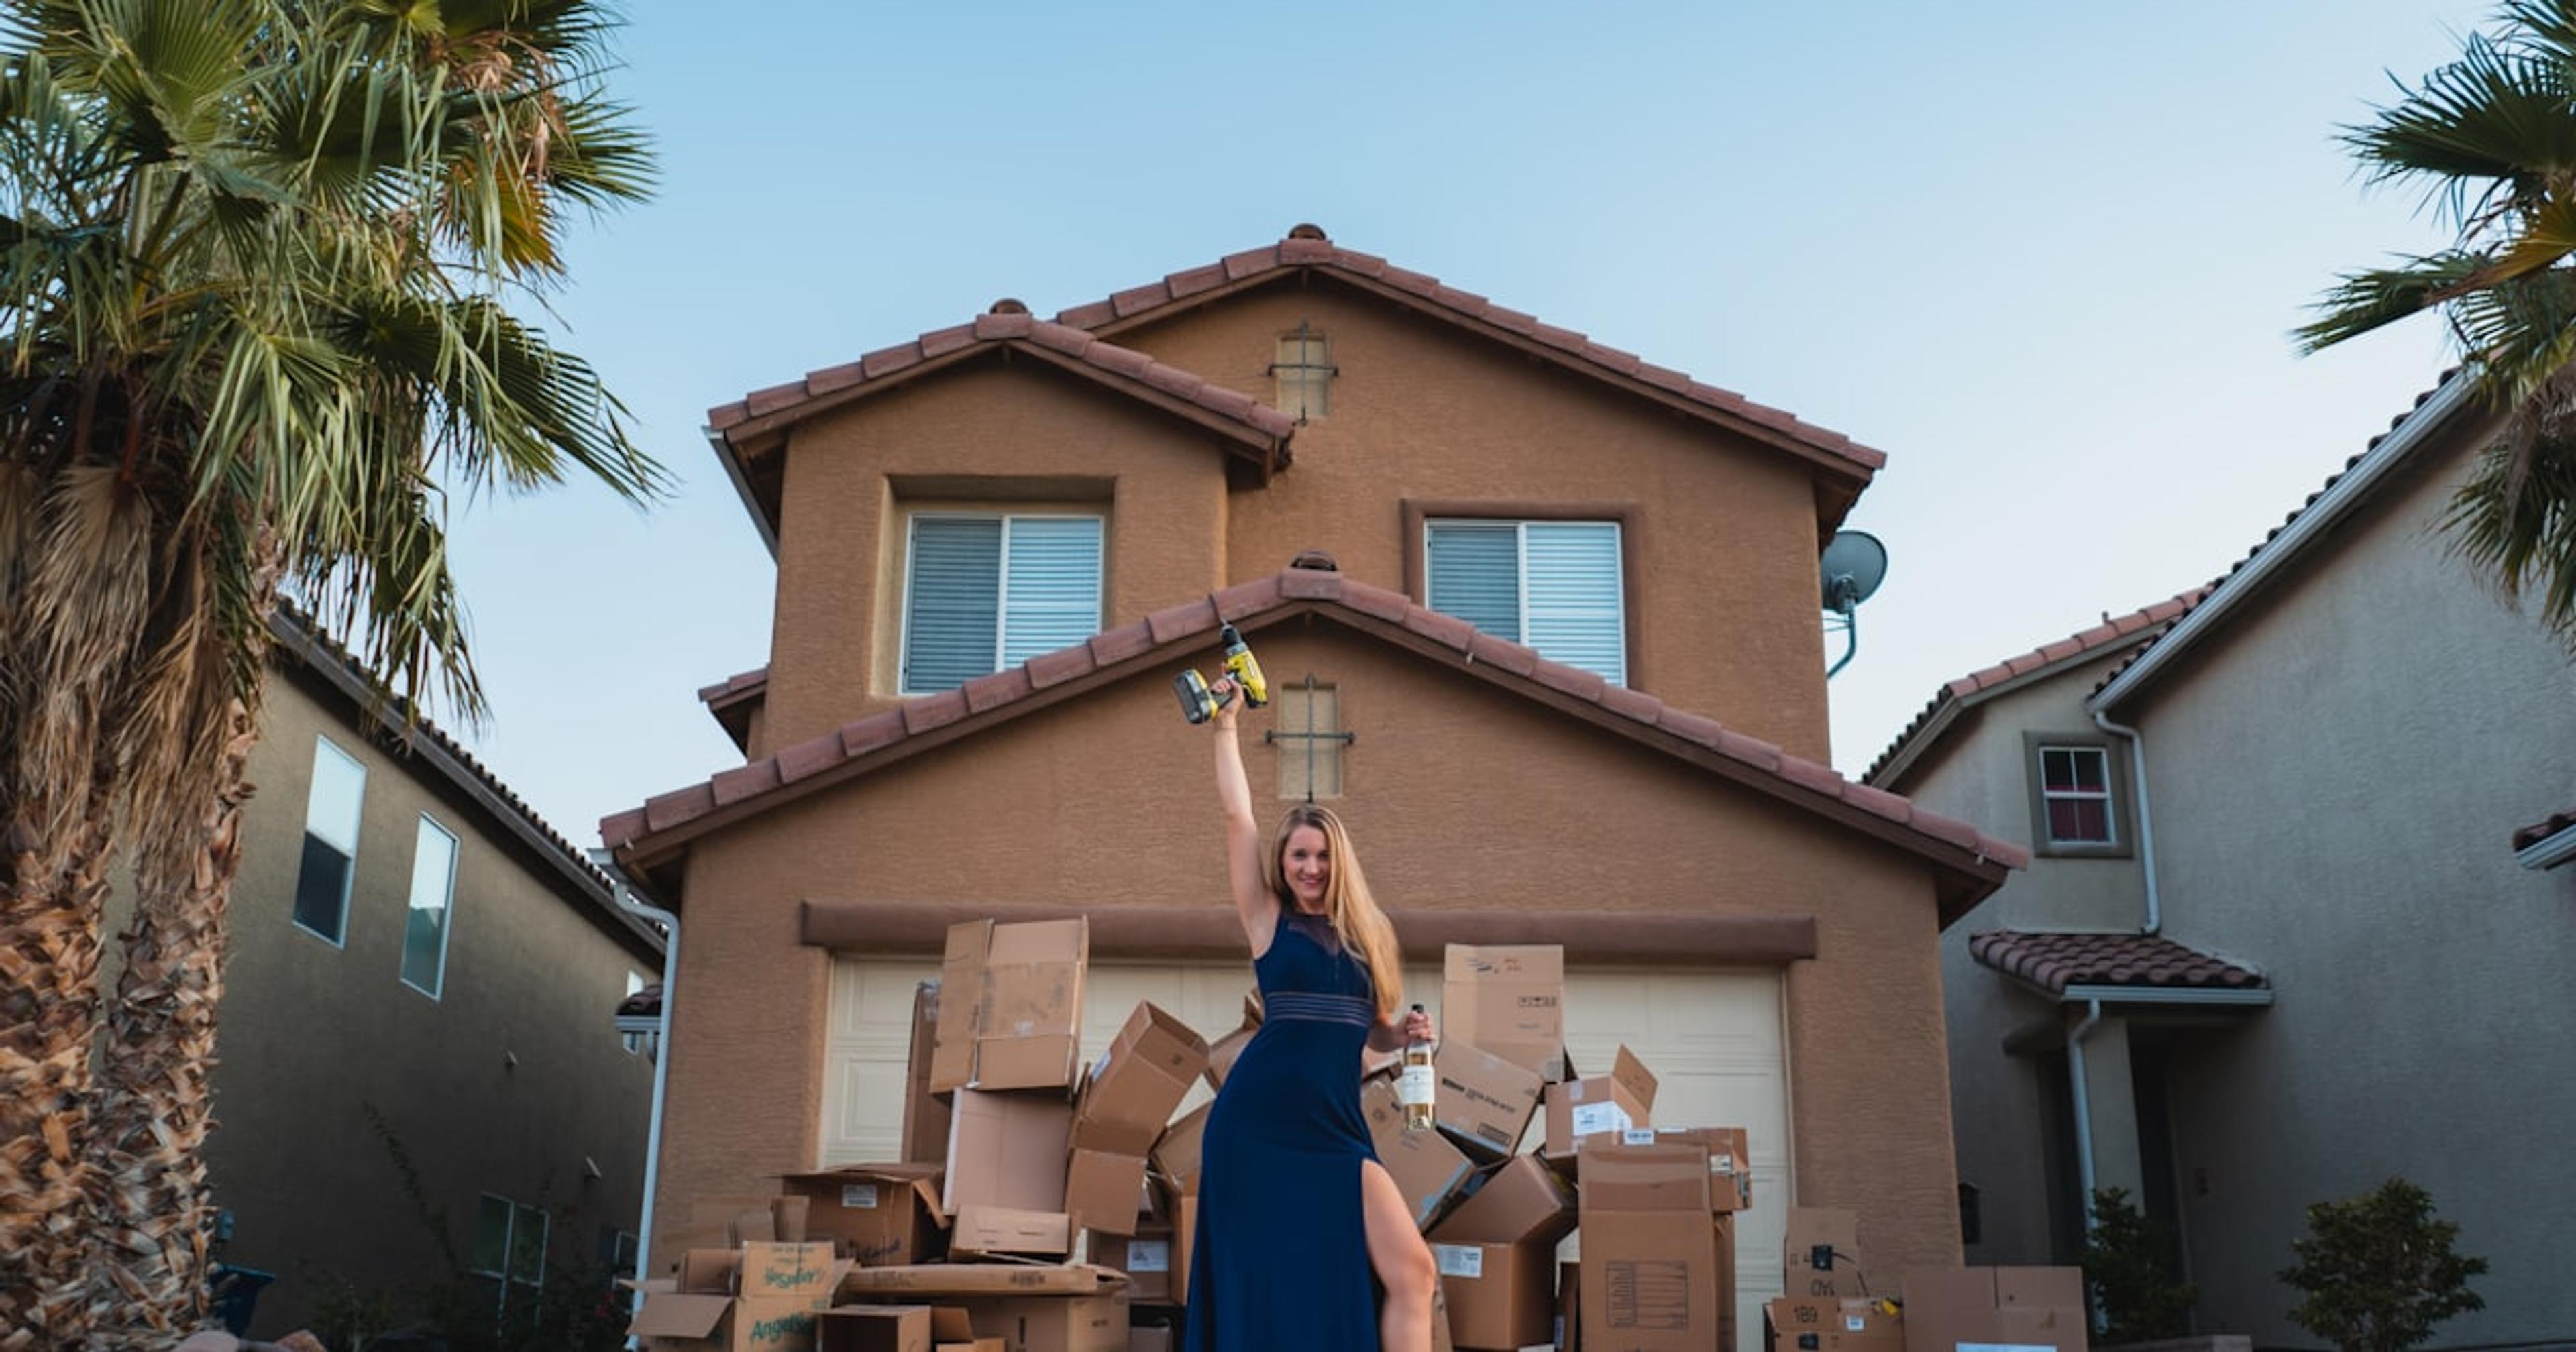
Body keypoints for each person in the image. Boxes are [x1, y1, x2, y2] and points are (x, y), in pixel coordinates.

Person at [1182, 676, 1438, 1352]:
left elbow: (1373, 1033)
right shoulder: (1269, 924)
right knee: (1274, 1289)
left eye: (1322, 855)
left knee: (1414, 1270)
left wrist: (1407, 1035)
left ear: (1339, 860)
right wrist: (1225, 727)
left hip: (1335, 1132)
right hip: (1255, 1130)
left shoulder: (1368, 935)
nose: (1311, 867)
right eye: (1299, 855)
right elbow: (1238, 818)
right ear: (1283, 861)